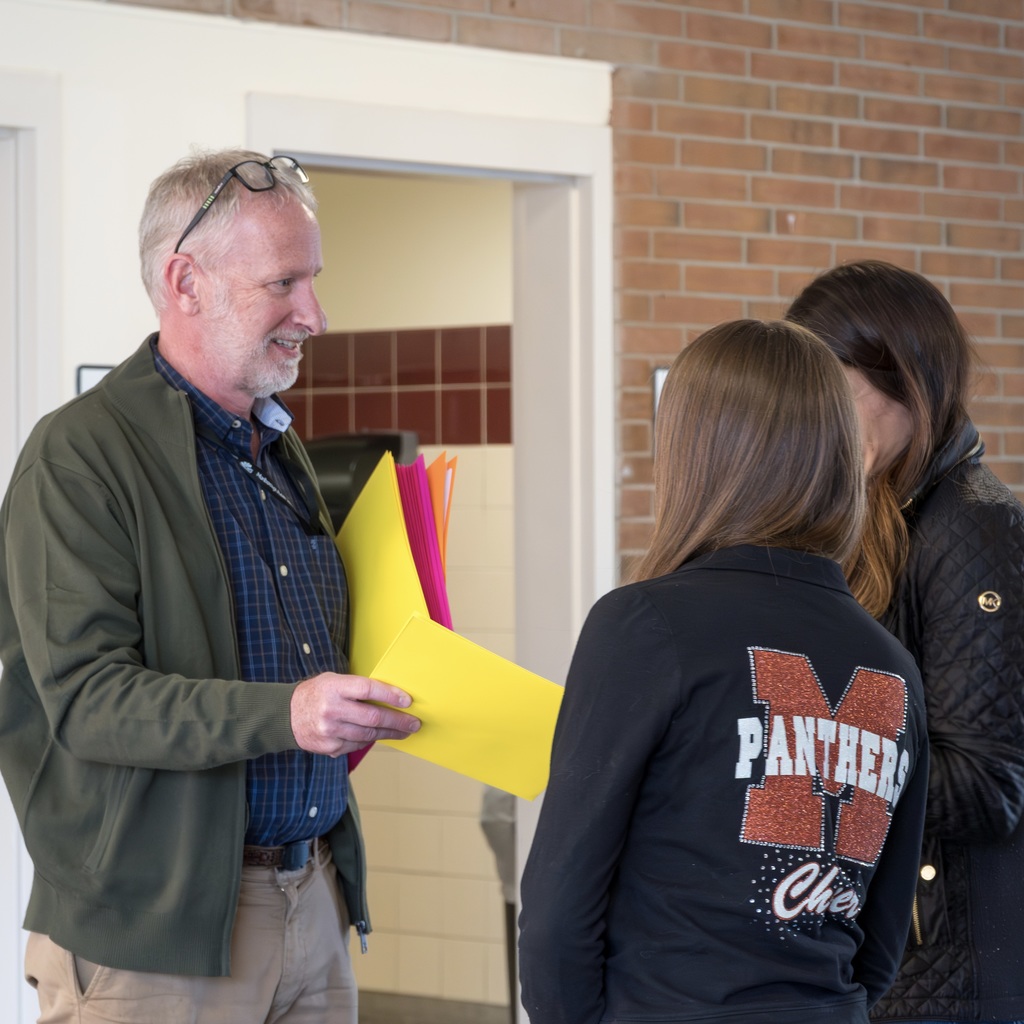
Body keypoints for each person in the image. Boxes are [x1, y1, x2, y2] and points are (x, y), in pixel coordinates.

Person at [0, 148, 422, 1023]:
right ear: (184, 281)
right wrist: (293, 715)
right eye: (284, 284)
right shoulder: (79, 455)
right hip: (158, 940)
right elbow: (88, 700)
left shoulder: (276, 450)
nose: (316, 314)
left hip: (313, 897)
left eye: (314, 281)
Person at [518, 319, 930, 1024]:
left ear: (694, 456)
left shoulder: (643, 627)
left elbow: (560, 909)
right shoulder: (892, 669)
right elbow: (881, 942)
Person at [786, 260, 1024, 1024]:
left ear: (907, 383)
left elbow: (991, 788)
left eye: (835, 395)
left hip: (948, 965)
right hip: (886, 947)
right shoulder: (872, 512)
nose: (816, 425)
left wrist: (810, 758)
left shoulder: (977, 527)